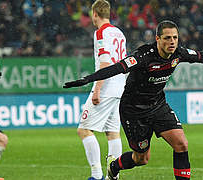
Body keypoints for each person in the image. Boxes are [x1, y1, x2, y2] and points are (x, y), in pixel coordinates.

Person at [64, 20, 203, 180]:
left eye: (175, 37)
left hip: (158, 105)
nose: (172, 42)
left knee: (181, 144)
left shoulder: (178, 54)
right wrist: (89, 79)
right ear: (157, 39)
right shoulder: (143, 56)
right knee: (141, 159)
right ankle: (114, 167)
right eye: (167, 38)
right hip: (133, 111)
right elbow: (117, 68)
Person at [76, 1, 127, 180]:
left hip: (106, 87)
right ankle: (114, 176)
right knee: (112, 133)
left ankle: (96, 175)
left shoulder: (101, 32)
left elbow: (105, 63)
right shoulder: (119, 33)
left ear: (95, 14)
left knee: (84, 130)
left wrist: (97, 89)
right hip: (120, 86)